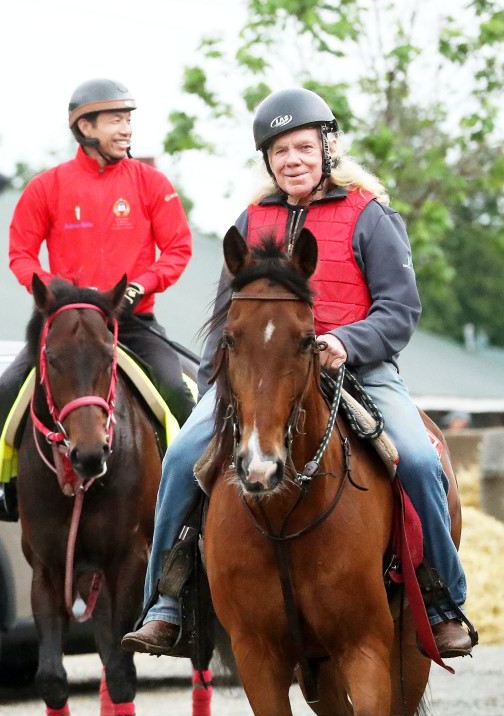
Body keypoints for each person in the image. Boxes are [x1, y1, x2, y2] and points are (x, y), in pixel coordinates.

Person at [122, 87, 474, 658]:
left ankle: (441, 601)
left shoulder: (371, 216)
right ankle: (166, 602)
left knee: (415, 456)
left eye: (303, 147)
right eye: (279, 150)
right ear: (268, 160)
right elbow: (226, 322)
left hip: (359, 368)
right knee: (184, 455)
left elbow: (400, 310)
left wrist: (346, 341)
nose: (292, 160)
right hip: (260, 378)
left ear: (326, 148)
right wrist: (217, 392)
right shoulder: (251, 219)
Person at [0, 78, 195, 521]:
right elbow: (21, 252)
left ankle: (193, 496)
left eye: (129, 119)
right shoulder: (47, 186)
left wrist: (143, 284)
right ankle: (7, 487)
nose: (127, 129)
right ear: (84, 126)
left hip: (131, 321)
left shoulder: (152, 184)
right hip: (66, 324)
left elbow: (178, 249)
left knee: (177, 391)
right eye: (116, 119)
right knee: (5, 391)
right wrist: (48, 293)